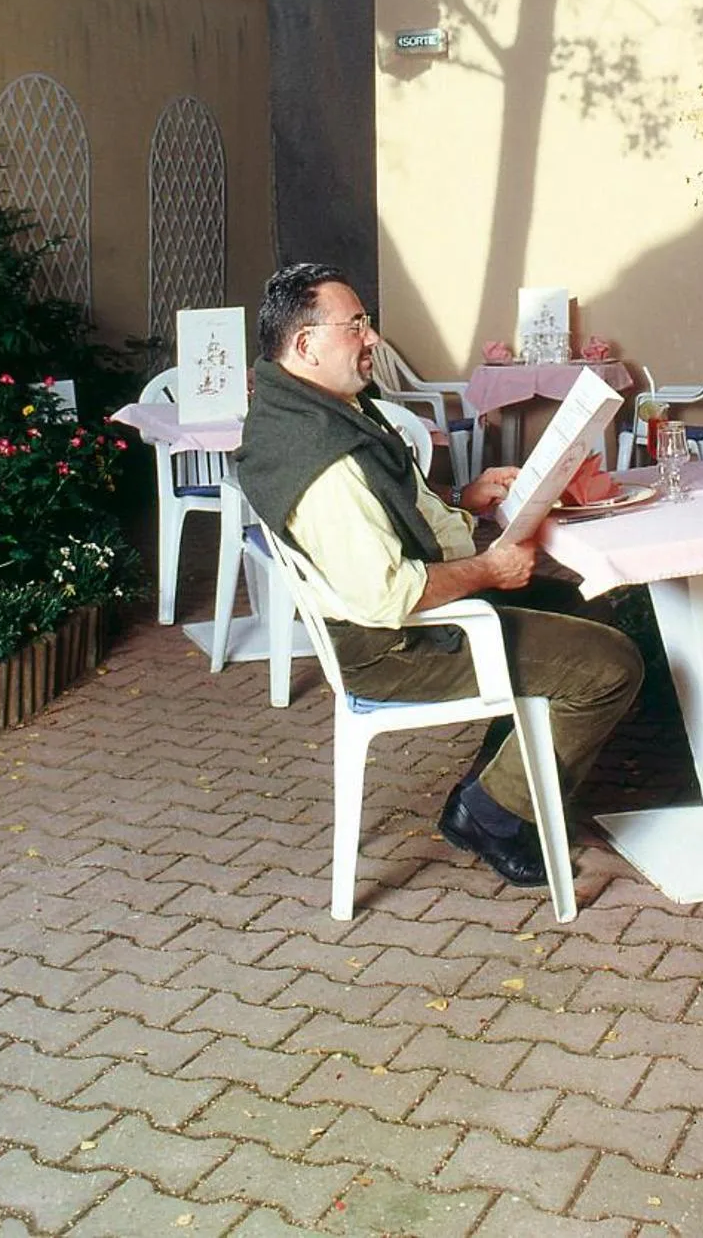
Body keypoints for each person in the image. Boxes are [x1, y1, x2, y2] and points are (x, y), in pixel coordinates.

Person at [237, 263, 643, 888]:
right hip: (393, 647)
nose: (372, 340)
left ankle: (503, 781)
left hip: (398, 618)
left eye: (367, 324)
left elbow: (388, 516)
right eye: (356, 327)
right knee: (613, 666)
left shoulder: (315, 411)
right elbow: (388, 593)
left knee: (590, 607)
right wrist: (489, 568)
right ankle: (492, 812)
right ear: (304, 344)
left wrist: (465, 497)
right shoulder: (320, 461)